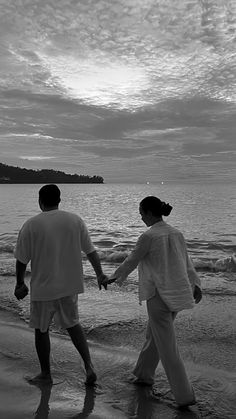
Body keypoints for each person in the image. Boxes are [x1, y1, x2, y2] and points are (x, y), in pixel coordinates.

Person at [105, 196, 202, 407]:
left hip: (158, 296)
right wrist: (196, 284)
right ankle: (143, 375)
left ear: (149, 213)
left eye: (141, 213)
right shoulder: (177, 233)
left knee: (168, 347)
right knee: (155, 336)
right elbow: (187, 263)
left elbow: (132, 259)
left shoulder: (148, 236)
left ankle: (185, 396)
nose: (140, 217)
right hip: (176, 294)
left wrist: (113, 277)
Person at [14, 184, 107, 386]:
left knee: (41, 329)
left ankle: (46, 374)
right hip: (69, 285)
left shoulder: (31, 224)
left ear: (40, 201)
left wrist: (20, 283)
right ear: (59, 200)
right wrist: (99, 274)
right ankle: (89, 366)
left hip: (44, 288)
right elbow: (91, 251)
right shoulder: (75, 220)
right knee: (73, 325)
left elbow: (22, 259)